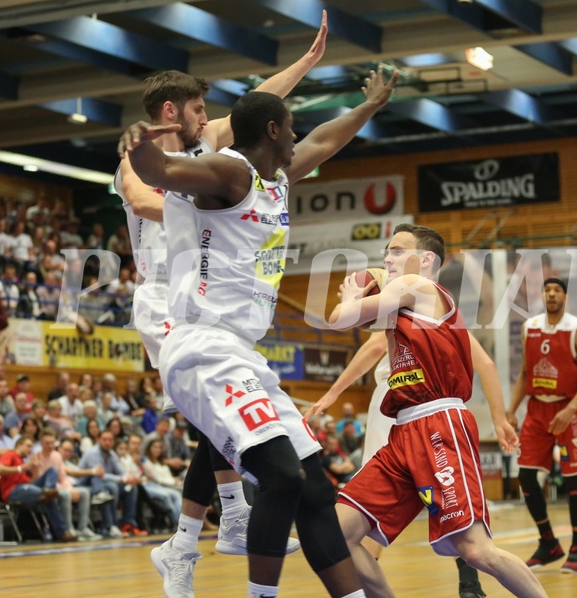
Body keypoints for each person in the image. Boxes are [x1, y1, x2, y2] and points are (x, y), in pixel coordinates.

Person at [119, 58, 398, 598]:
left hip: (240, 351)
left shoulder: (274, 180)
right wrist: (138, 144)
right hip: (201, 344)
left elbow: (323, 143)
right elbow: (160, 175)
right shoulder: (230, 172)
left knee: (315, 489)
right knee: (283, 476)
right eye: (290, 127)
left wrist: (368, 107)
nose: (297, 136)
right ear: (272, 130)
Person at [324, 223, 545, 598]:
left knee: (475, 550)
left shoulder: (416, 286)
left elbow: (338, 319)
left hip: (439, 422)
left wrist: (349, 296)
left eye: (397, 250)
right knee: (337, 533)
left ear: (425, 259)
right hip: (403, 431)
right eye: (387, 252)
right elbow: (358, 328)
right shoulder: (418, 306)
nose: (387, 258)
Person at [507, 277, 577, 574]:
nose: (551, 294)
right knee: (527, 477)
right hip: (536, 409)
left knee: (574, 481)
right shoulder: (529, 327)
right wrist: (511, 410)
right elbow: (523, 372)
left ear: (565, 297)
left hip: (566, 409)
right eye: (546, 290)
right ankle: (549, 543)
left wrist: (571, 409)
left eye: (557, 290)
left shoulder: (576, 329)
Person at [0, 436, 78, 542]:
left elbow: (29, 483)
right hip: (12, 491)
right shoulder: (10, 454)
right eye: (28, 446)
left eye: (32, 447)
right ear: (19, 445)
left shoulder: (22, 460)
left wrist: (34, 471)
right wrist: (23, 468)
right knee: (48, 497)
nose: (30, 449)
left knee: (52, 472)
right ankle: (61, 532)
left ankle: (48, 490)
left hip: (26, 488)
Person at [30, 428, 102, 541]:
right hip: (44, 489)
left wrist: (70, 488)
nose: (50, 445)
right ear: (41, 443)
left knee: (84, 492)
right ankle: (68, 529)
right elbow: (41, 479)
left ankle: (83, 528)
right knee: (66, 495)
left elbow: (62, 477)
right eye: (47, 443)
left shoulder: (56, 456)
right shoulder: (36, 456)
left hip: (58, 487)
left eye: (52, 443)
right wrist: (67, 491)